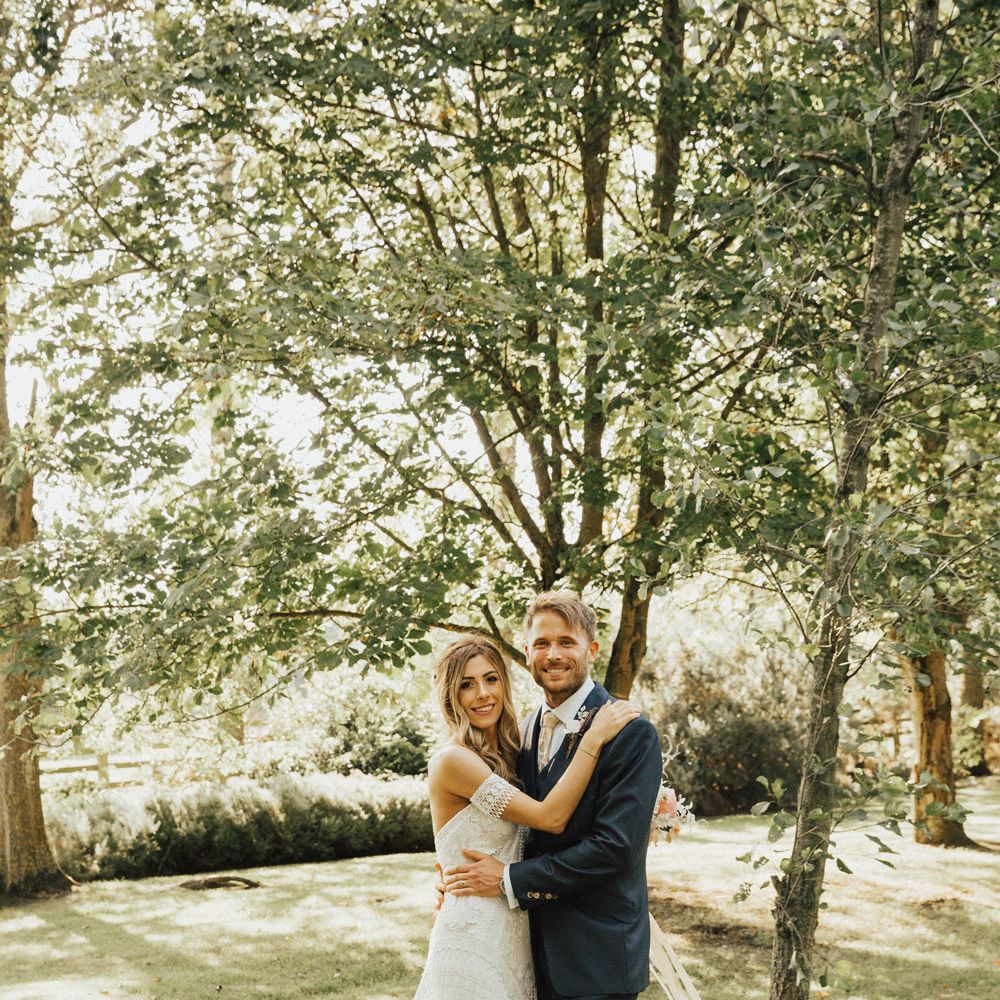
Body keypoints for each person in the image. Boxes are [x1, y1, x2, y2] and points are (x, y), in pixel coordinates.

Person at [441, 591, 663, 1000]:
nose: (553, 654)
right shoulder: (520, 732)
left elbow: (615, 848)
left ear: (591, 649)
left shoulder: (629, 731)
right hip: (524, 950)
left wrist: (508, 879)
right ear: (527, 652)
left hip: (597, 956)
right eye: (542, 643)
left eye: (566, 642)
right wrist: (454, 873)